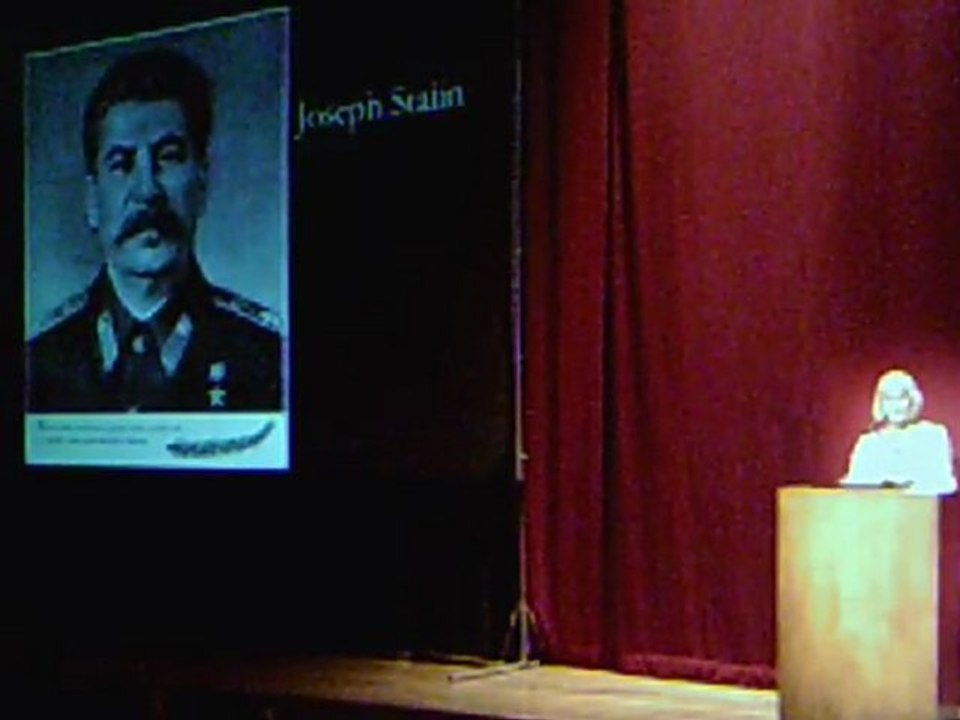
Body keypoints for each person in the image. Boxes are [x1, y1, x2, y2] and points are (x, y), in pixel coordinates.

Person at [27, 48, 283, 413]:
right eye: (121, 164)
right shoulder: (38, 363)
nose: (147, 190)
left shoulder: (267, 357)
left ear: (202, 182)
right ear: (91, 200)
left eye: (169, 156)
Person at [840, 368, 956, 496]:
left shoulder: (933, 436)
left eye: (901, 398)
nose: (896, 406)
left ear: (912, 401)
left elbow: (945, 483)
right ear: (880, 404)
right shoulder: (868, 443)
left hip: (919, 510)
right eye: (889, 399)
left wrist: (907, 487)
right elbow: (854, 485)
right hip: (877, 511)